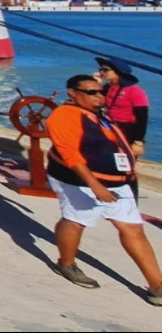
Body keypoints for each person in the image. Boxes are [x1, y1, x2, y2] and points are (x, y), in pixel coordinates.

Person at [48, 74, 162, 304]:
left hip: (118, 183)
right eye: (92, 92)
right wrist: (95, 186)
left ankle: (157, 286)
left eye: (101, 92)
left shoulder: (98, 116)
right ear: (73, 93)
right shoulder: (64, 116)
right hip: (79, 182)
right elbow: (71, 155)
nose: (99, 97)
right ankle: (66, 263)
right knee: (75, 221)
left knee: (133, 230)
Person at [96, 56, 149, 200]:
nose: (103, 72)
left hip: (127, 131)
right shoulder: (108, 88)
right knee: (108, 163)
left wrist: (138, 141)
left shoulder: (135, 91)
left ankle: (131, 198)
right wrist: (96, 84)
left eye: (106, 70)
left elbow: (142, 117)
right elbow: (95, 103)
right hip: (109, 129)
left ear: (117, 72)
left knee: (127, 167)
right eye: (102, 69)